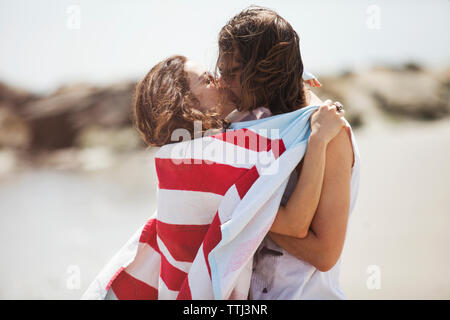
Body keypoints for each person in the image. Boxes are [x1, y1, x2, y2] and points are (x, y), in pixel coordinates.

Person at [212, 6, 359, 299]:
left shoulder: (328, 131)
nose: (223, 83)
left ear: (267, 72)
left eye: (233, 73)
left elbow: (324, 253)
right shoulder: (249, 119)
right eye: (221, 72)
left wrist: (239, 215)